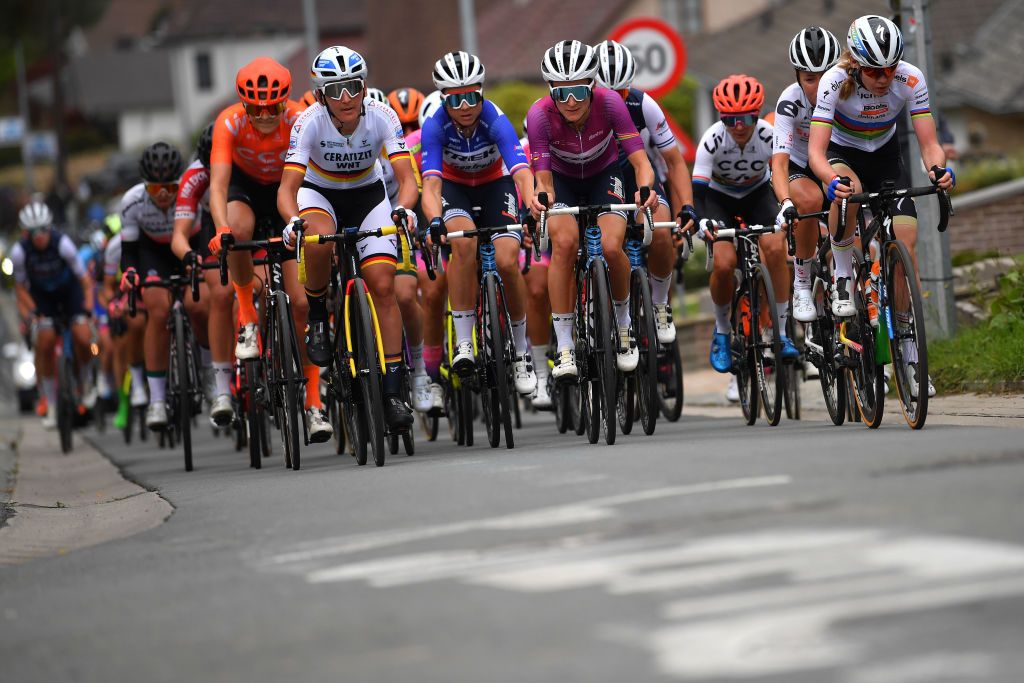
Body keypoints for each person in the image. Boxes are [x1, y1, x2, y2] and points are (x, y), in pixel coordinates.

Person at [808, 14, 953, 399]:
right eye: (874, 71)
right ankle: (842, 275)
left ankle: (909, 349)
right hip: (842, 154)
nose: (884, 78)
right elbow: (816, 152)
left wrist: (937, 169)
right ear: (856, 64)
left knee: (906, 246)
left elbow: (929, 143)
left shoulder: (911, 78)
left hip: (886, 158)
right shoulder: (834, 81)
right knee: (849, 191)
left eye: (890, 68)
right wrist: (830, 180)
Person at [280, 45, 417, 432]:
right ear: (320, 95)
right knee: (318, 239)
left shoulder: (382, 115)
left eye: (353, 87)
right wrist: (292, 220)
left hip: (367, 195)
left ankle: (393, 392)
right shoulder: (308, 122)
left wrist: (404, 209)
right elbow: (287, 188)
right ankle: (318, 316)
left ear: (364, 88)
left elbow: (406, 180)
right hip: (319, 194)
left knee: (384, 286)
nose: (346, 98)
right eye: (335, 90)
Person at [526, 39, 659, 381]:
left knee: (612, 246)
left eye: (579, 92)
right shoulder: (539, 115)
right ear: (551, 91)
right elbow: (544, 180)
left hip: (604, 175)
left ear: (593, 86)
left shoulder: (611, 102)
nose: (570, 102)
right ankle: (565, 346)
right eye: (561, 93)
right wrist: (542, 199)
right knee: (565, 243)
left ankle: (625, 327)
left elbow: (641, 163)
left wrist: (645, 189)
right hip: (563, 181)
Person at [420, 50, 538, 396]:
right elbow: (432, 186)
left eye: (472, 97)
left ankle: (521, 351)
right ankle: (464, 342)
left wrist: (532, 205)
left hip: (495, 184)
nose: (465, 106)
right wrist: (435, 220)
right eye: (455, 100)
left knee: (507, 260)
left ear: (481, 93)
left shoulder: (494, 119)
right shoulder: (435, 126)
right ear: (444, 99)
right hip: (454, 189)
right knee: (463, 243)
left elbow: (521, 171)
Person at [691, 75, 799, 400]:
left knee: (775, 248)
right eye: (730, 120)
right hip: (719, 199)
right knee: (724, 264)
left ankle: (781, 331)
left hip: (757, 195)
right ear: (721, 118)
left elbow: (781, 173)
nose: (739, 126)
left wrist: (785, 206)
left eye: (746, 119)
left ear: (757, 115)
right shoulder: (711, 140)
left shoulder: (769, 135)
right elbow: (698, 192)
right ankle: (723, 331)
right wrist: (702, 220)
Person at [595, 39, 697, 345]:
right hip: (598, 180)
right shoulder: (581, 109)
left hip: (636, 175)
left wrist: (686, 207)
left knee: (661, 228)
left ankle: (660, 303)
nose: (616, 101)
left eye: (622, 93)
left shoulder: (643, 104)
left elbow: (674, 161)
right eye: (608, 94)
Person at [119, 142, 206, 430]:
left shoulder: (194, 194)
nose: (165, 194)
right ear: (145, 186)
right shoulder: (132, 202)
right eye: (156, 188)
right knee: (157, 311)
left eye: (170, 187)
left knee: (200, 305)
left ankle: (209, 373)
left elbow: (206, 234)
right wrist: (130, 273)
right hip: (153, 254)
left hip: (190, 246)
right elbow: (129, 252)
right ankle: (156, 400)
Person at [771, 26, 842, 324]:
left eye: (826, 76)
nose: (820, 86)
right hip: (801, 167)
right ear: (798, 77)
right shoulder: (790, 101)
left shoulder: (848, 93)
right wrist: (786, 201)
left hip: (836, 161)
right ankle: (801, 283)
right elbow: (779, 163)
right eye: (810, 79)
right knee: (810, 201)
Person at [171, 122, 236, 426]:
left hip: (248, 218)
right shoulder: (195, 175)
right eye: (211, 166)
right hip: (212, 230)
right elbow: (179, 235)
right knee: (218, 296)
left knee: (261, 288)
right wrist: (188, 255)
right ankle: (219, 378)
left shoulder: (247, 161)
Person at [10, 201, 96, 428]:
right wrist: (32, 313)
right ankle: (51, 402)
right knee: (45, 341)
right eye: (33, 232)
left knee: (83, 337)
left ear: (50, 227)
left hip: (69, 292)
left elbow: (85, 280)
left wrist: (88, 309)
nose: (39, 236)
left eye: (43, 230)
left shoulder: (63, 244)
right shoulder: (19, 252)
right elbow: (20, 289)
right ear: (26, 233)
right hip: (43, 297)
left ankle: (86, 380)